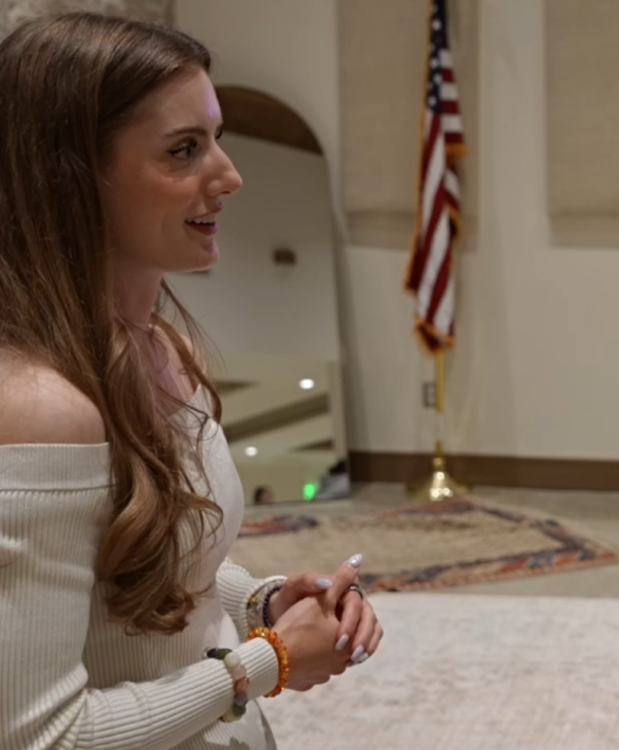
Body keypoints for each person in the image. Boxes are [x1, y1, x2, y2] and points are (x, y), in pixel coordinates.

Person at [0, 13, 384, 749]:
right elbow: (40, 736)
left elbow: (157, 577)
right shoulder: (37, 410)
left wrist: (263, 602)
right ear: (70, 178)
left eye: (216, 138)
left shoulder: (165, 349)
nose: (230, 176)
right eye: (184, 150)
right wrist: (263, 664)